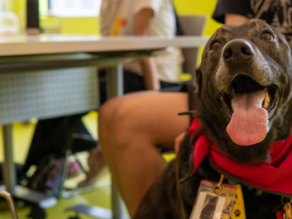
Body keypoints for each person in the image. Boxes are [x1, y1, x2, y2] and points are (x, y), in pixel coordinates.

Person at [98, 0, 292, 216]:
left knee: (123, 117)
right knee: (113, 112)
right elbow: (232, 38)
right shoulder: (228, 54)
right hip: (226, 92)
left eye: (265, 37)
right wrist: (198, 126)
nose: (237, 48)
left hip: (290, 92)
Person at [22, 0, 183, 189]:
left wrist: (154, 97)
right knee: (61, 93)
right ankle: (58, 162)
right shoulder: (110, 3)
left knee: (66, 96)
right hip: (120, 70)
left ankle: (37, 170)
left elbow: (144, 49)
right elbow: (107, 46)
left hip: (152, 76)